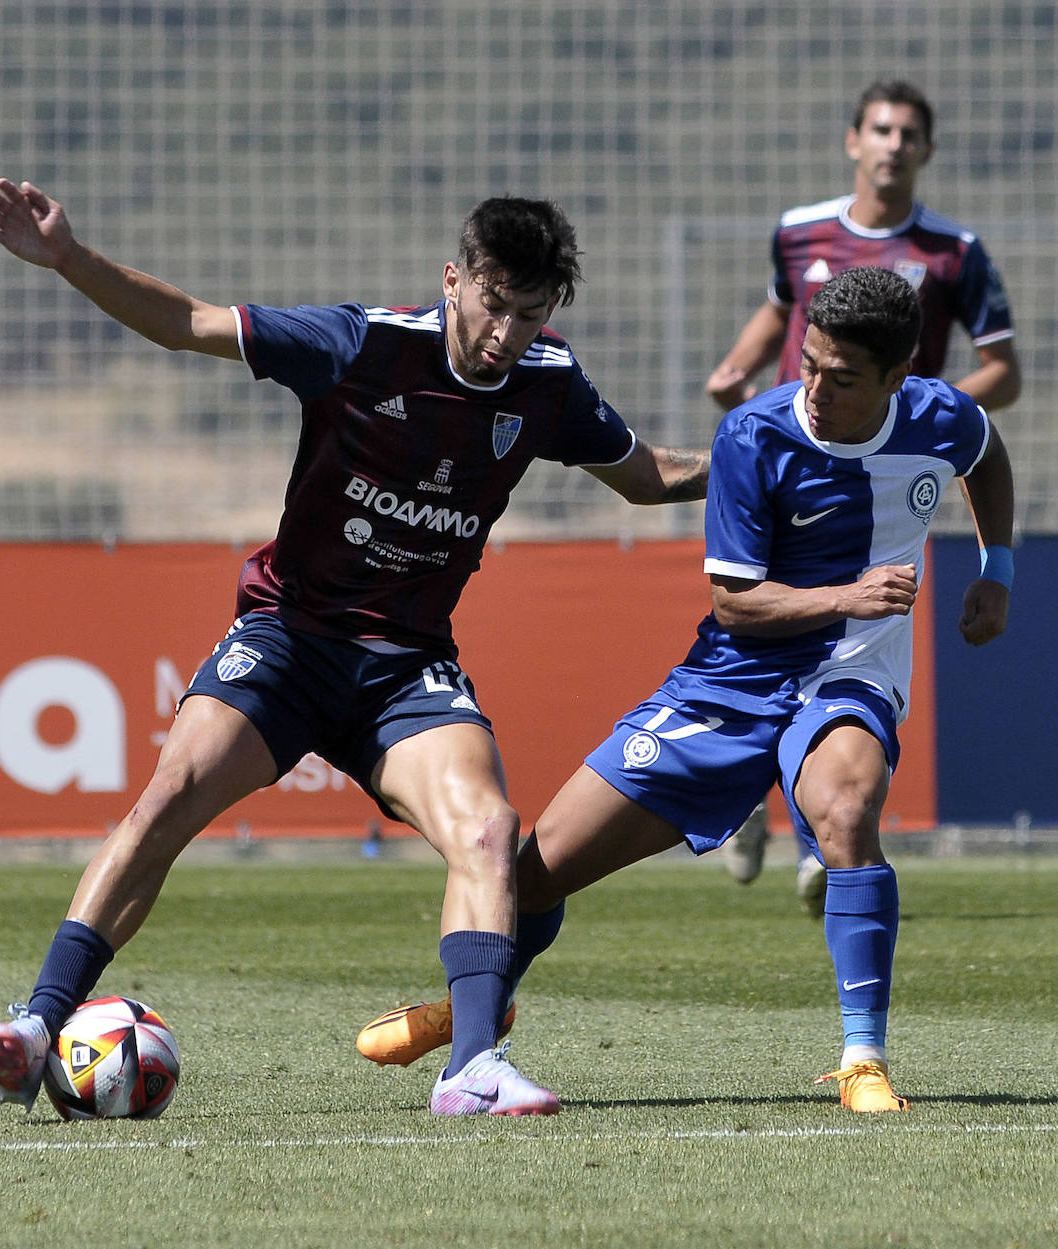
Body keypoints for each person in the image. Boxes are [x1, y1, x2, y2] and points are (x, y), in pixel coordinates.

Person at [0, 179, 710, 1118]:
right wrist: (69, 257)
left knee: (487, 830)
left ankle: (471, 1070)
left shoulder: (549, 384)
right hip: (290, 636)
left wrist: (775, 456)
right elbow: (188, 323)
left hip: (404, 664)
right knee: (168, 797)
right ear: (454, 279)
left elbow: (646, 478)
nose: (506, 334)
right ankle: (38, 1025)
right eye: (493, 305)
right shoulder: (361, 345)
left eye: (530, 314)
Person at [358, 266, 1015, 1113]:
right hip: (729, 683)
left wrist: (996, 569)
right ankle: (479, 1006)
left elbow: (987, 454)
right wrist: (848, 594)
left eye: (841, 377)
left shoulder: (939, 415)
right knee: (534, 873)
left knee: (846, 810)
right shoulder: (755, 434)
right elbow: (736, 605)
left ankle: (863, 1058)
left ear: (897, 377)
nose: (814, 388)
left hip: (850, 672)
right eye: (807, 363)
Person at [706, 80, 1021, 909]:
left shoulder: (955, 251)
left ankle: (822, 834)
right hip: (787, 463)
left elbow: (1004, 373)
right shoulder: (799, 231)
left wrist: (922, 414)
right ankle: (749, 788)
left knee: (847, 650)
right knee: (752, 621)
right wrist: (736, 368)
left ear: (927, 149)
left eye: (910, 132)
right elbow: (778, 313)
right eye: (880, 128)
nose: (893, 144)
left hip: (880, 474)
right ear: (853, 140)